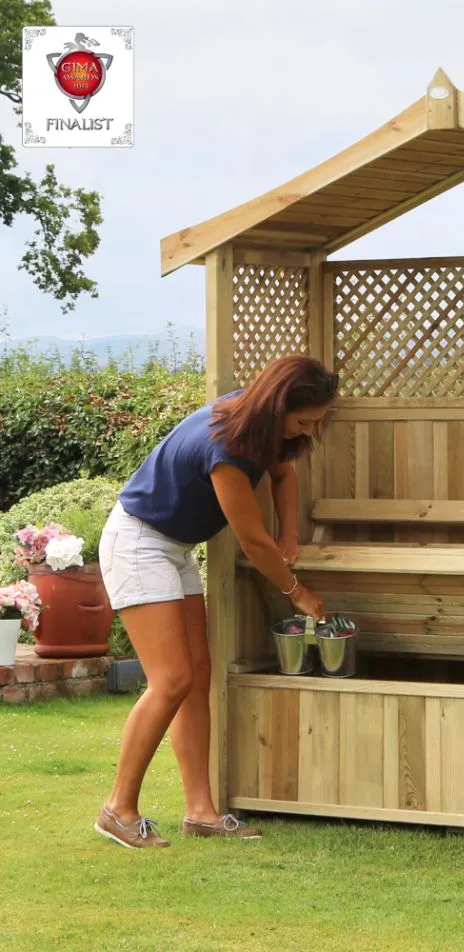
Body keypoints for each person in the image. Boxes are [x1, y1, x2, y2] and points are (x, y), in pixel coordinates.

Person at [94, 355, 337, 849]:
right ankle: (117, 809)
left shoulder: (255, 424)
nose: (311, 429)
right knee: (172, 680)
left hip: (173, 547)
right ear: (280, 404)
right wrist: (299, 592)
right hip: (139, 543)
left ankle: (201, 813)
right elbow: (252, 541)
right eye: (306, 419)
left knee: (197, 676)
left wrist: (290, 531)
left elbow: (284, 477)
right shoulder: (227, 445)